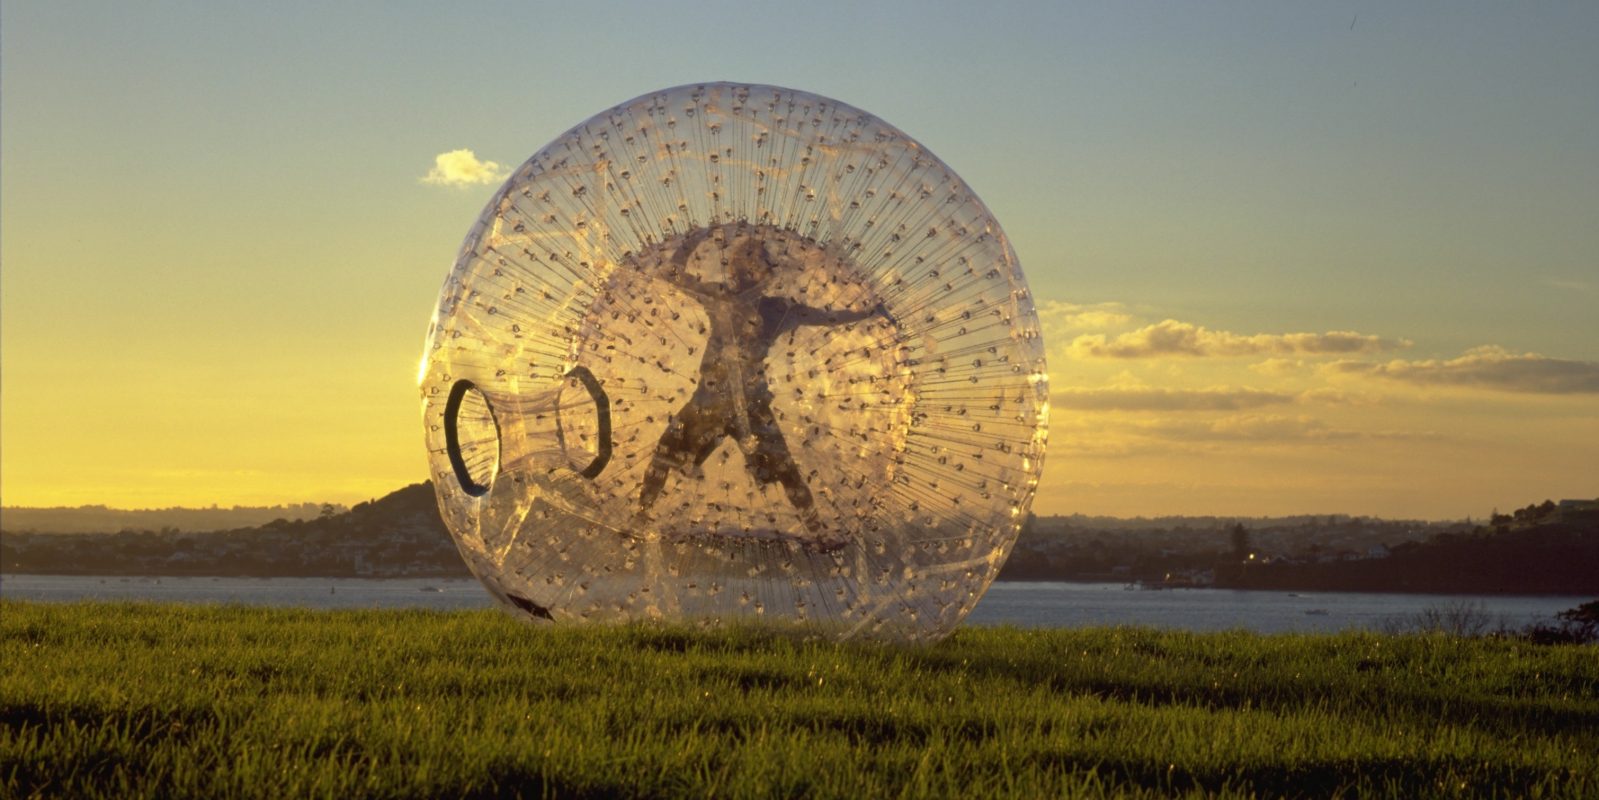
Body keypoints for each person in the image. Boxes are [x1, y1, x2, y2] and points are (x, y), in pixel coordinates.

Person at [636, 226, 887, 545]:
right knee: (666, 454)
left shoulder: (773, 308)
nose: (746, 270)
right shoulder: (723, 298)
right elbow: (671, 274)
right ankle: (640, 518)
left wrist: (868, 312)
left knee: (785, 470)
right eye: (745, 262)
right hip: (714, 401)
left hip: (738, 405)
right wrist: (695, 239)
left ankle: (819, 534)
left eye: (755, 262)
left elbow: (828, 317)